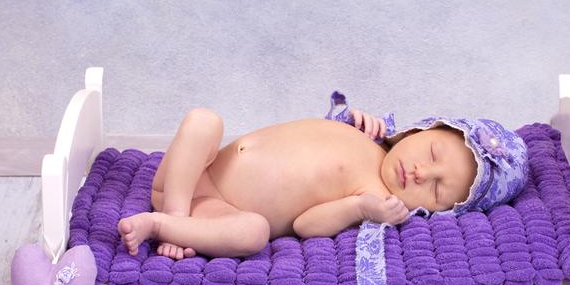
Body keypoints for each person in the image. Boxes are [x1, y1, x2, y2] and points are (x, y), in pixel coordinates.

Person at [117, 92, 529, 260]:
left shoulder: (373, 195)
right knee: (204, 120)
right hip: (191, 174)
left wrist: (359, 207)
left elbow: (305, 225)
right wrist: (352, 120)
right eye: (433, 152)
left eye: (437, 189)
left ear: (440, 212)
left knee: (254, 232)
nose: (421, 172)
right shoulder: (368, 134)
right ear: (420, 131)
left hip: (215, 208)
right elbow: (314, 133)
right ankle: (175, 215)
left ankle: (166, 225)